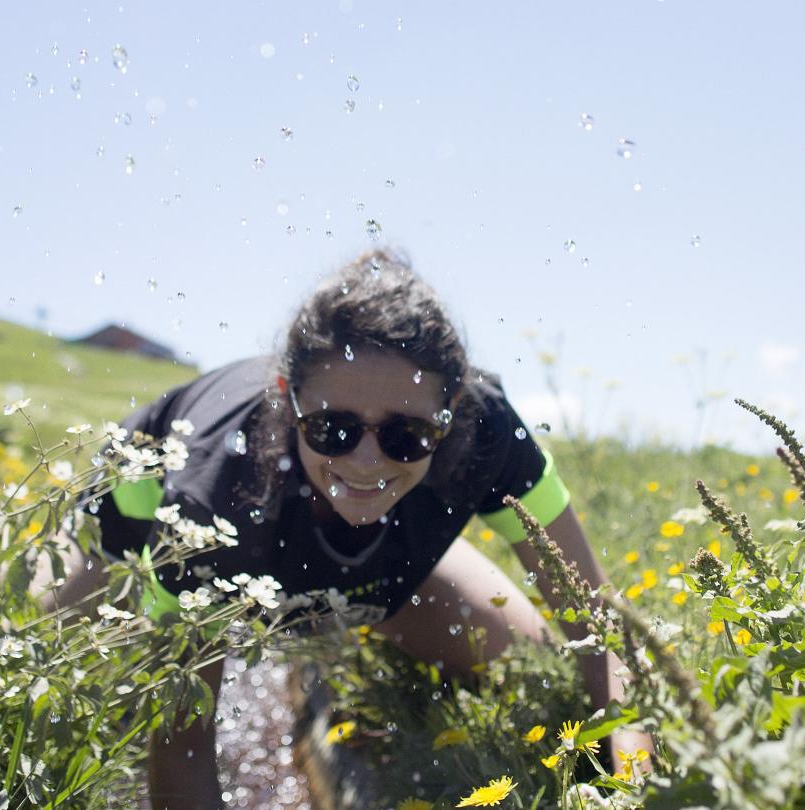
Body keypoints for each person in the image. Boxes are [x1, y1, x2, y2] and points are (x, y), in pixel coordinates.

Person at [39, 249, 650, 809]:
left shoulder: (489, 433)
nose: (365, 463)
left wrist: (635, 777)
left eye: (406, 436)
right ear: (288, 398)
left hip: (353, 562)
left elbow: (599, 627)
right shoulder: (215, 490)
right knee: (50, 669)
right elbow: (183, 758)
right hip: (128, 551)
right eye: (332, 429)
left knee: (527, 661)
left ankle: (332, 637)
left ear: (453, 411)